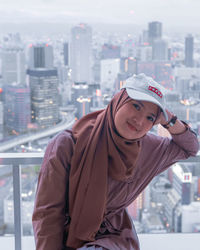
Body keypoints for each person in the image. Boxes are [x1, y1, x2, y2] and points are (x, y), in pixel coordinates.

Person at [32, 73, 199, 250]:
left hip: (114, 240)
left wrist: (169, 120)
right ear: (118, 100)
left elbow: (190, 147)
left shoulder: (149, 149)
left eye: (150, 117)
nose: (140, 120)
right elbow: (48, 214)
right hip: (67, 239)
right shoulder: (68, 144)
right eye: (136, 106)